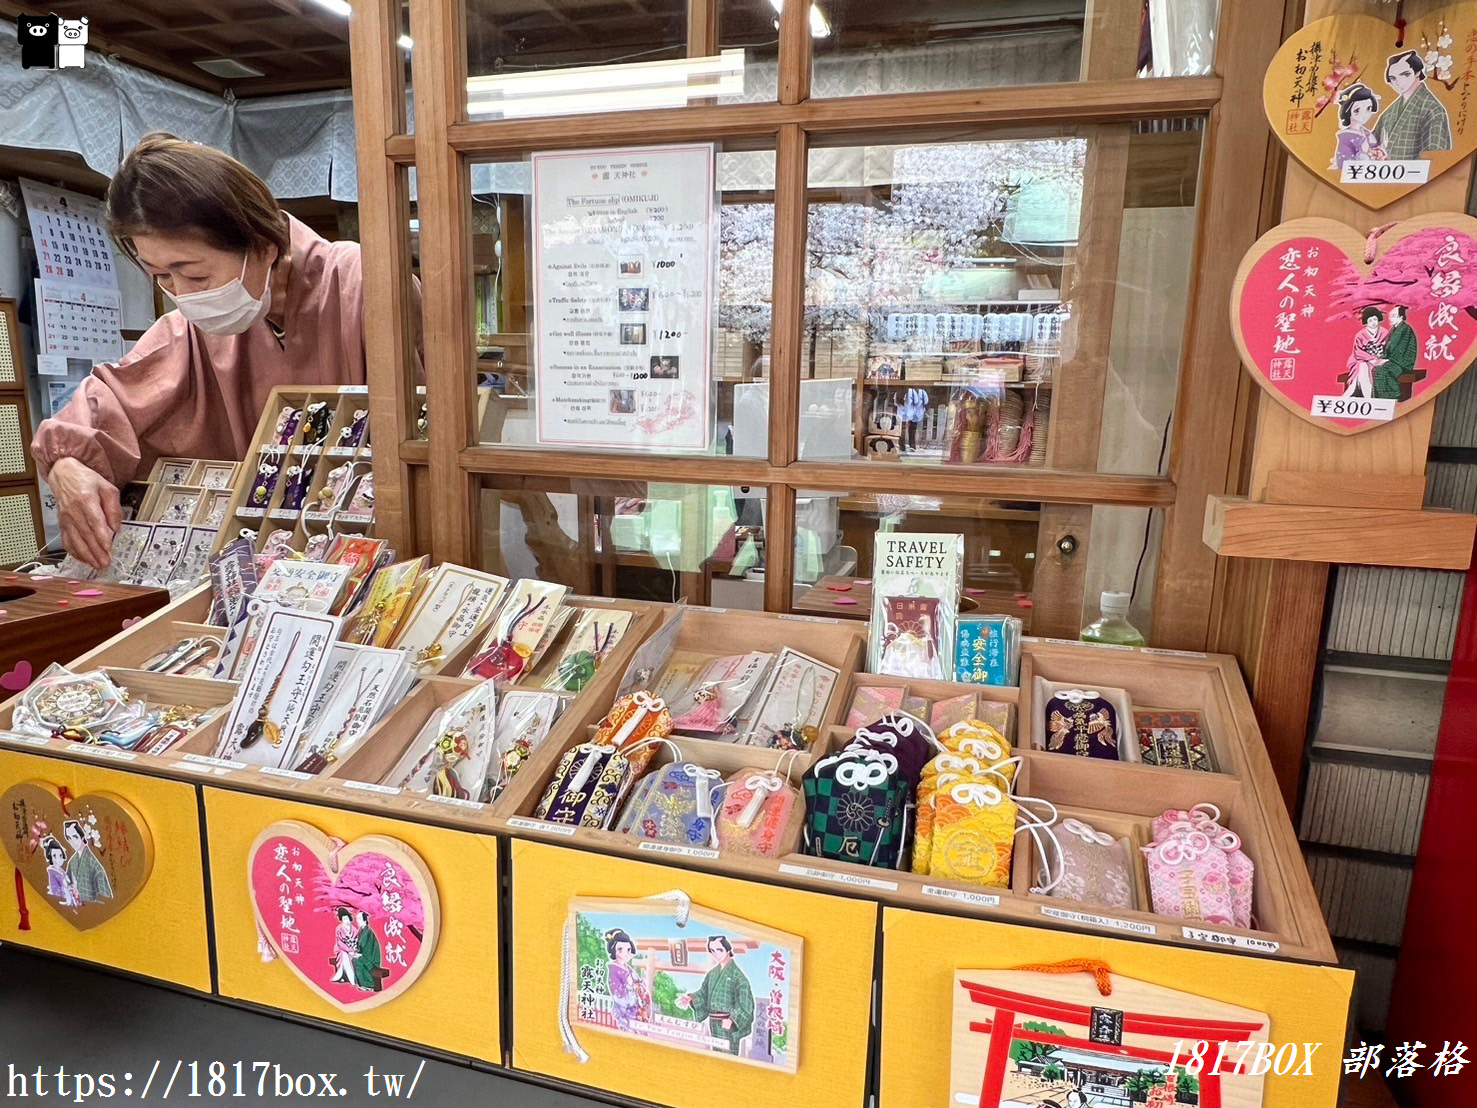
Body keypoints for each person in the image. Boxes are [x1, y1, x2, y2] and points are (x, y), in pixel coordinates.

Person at [31, 133, 378, 571]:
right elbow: (108, 398)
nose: (182, 296)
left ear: (263, 248)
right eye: (161, 277)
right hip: (251, 557)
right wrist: (66, 464)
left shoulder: (360, 284)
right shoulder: (189, 331)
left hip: (367, 545)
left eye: (194, 276)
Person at [676, 935, 755, 1056]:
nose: (716, 954)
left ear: (728, 949)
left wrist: (732, 1019)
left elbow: (746, 1005)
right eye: (712, 951)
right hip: (713, 1022)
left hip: (728, 1024)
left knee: (727, 1055)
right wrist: (691, 997)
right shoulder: (712, 973)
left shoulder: (738, 977)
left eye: (719, 950)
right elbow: (703, 993)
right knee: (716, 1054)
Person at [1374, 50, 1453, 160]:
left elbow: (1435, 156)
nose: (1398, 82)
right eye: (1393, 78)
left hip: (1416, 174)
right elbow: (1372, 143)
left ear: (1417, 72)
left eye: (1405, 74)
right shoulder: (1388, 113)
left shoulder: (1433, 109)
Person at [604, 928, 651, 1032]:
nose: (625, 953)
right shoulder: (614, 972)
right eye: (620, 949)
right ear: (614, 950)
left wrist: (642, 985)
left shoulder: (629, 969)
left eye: (628, 950)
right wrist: (631, 988)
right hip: (625, 1015)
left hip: (638, 1012)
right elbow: (620, 998)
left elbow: (638, 985)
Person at [1330, 84, 1386, 169]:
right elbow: (1344, 163)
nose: (1364, 114)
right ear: (1348, 111)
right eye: (1357, 110)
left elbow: (1375, 148)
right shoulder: (1346, 138)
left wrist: (1379, 152)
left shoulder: (1366, 133)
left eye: (1368, 108)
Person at [62, 820, 112, 903]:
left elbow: (104, 899)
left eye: (75, 837)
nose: (72, 842)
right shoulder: (72, 862)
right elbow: (67, 885)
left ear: (82, 836)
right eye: (69, 838)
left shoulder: (94, 865)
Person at [1378, 304, 1420, 401]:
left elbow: (1396, 349)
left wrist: (1385, 359)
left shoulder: (1404, 329)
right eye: (1390, 315)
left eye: (1393, 316)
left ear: (1401, 317)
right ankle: (1381, 397)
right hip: (1394, 360)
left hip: (1402, 363)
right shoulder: (1395, 329)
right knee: (1377, 370)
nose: (1389, 318)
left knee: (1382, 370)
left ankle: (1395, 392)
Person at [1344, 307, 1388, 399]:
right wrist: (1371, 359)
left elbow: (1388, 347)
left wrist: (1379, 358)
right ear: (1366, 321)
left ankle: (1367, 395)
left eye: (1375, 319)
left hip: (1379, 359)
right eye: (1370, 320)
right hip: (1361, 359)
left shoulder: (1384, 332)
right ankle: (1367, 395)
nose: (1373, 322)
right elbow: (1358, 351)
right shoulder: (1360, 335)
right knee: (1363, 367)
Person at [41, 836, 80, 908]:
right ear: (50, 857)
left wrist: (72, 886)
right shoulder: (52, 872)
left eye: (60, 855)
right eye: (54, 856)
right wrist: (67, 889)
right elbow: (55, 890)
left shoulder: (62, 871)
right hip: (63, 900)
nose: (58, 858)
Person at [352, 910, 383, 992]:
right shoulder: (361, 930)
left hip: (371, 957)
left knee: (358, 961)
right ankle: (361, 984)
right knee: (354, 959)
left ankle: (369, 984)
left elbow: (367, 947)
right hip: (365, 954)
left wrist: (359, 954)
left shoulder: (368, 932)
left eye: (359, 918)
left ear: (364, 919)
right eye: (357, 918)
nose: (357, 920)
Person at [330, 907, 358, 984]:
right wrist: (349, 950)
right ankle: (351, 978)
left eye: (347, 919)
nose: (346, 921)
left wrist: (353, 948)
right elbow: (340, 943)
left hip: (352, 949)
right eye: (344, 919)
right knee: (344, 955)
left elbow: (356, 940)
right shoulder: (339, 929)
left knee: (354, 957)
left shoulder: (354, 929)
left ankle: (348, 976)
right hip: (341, 949)